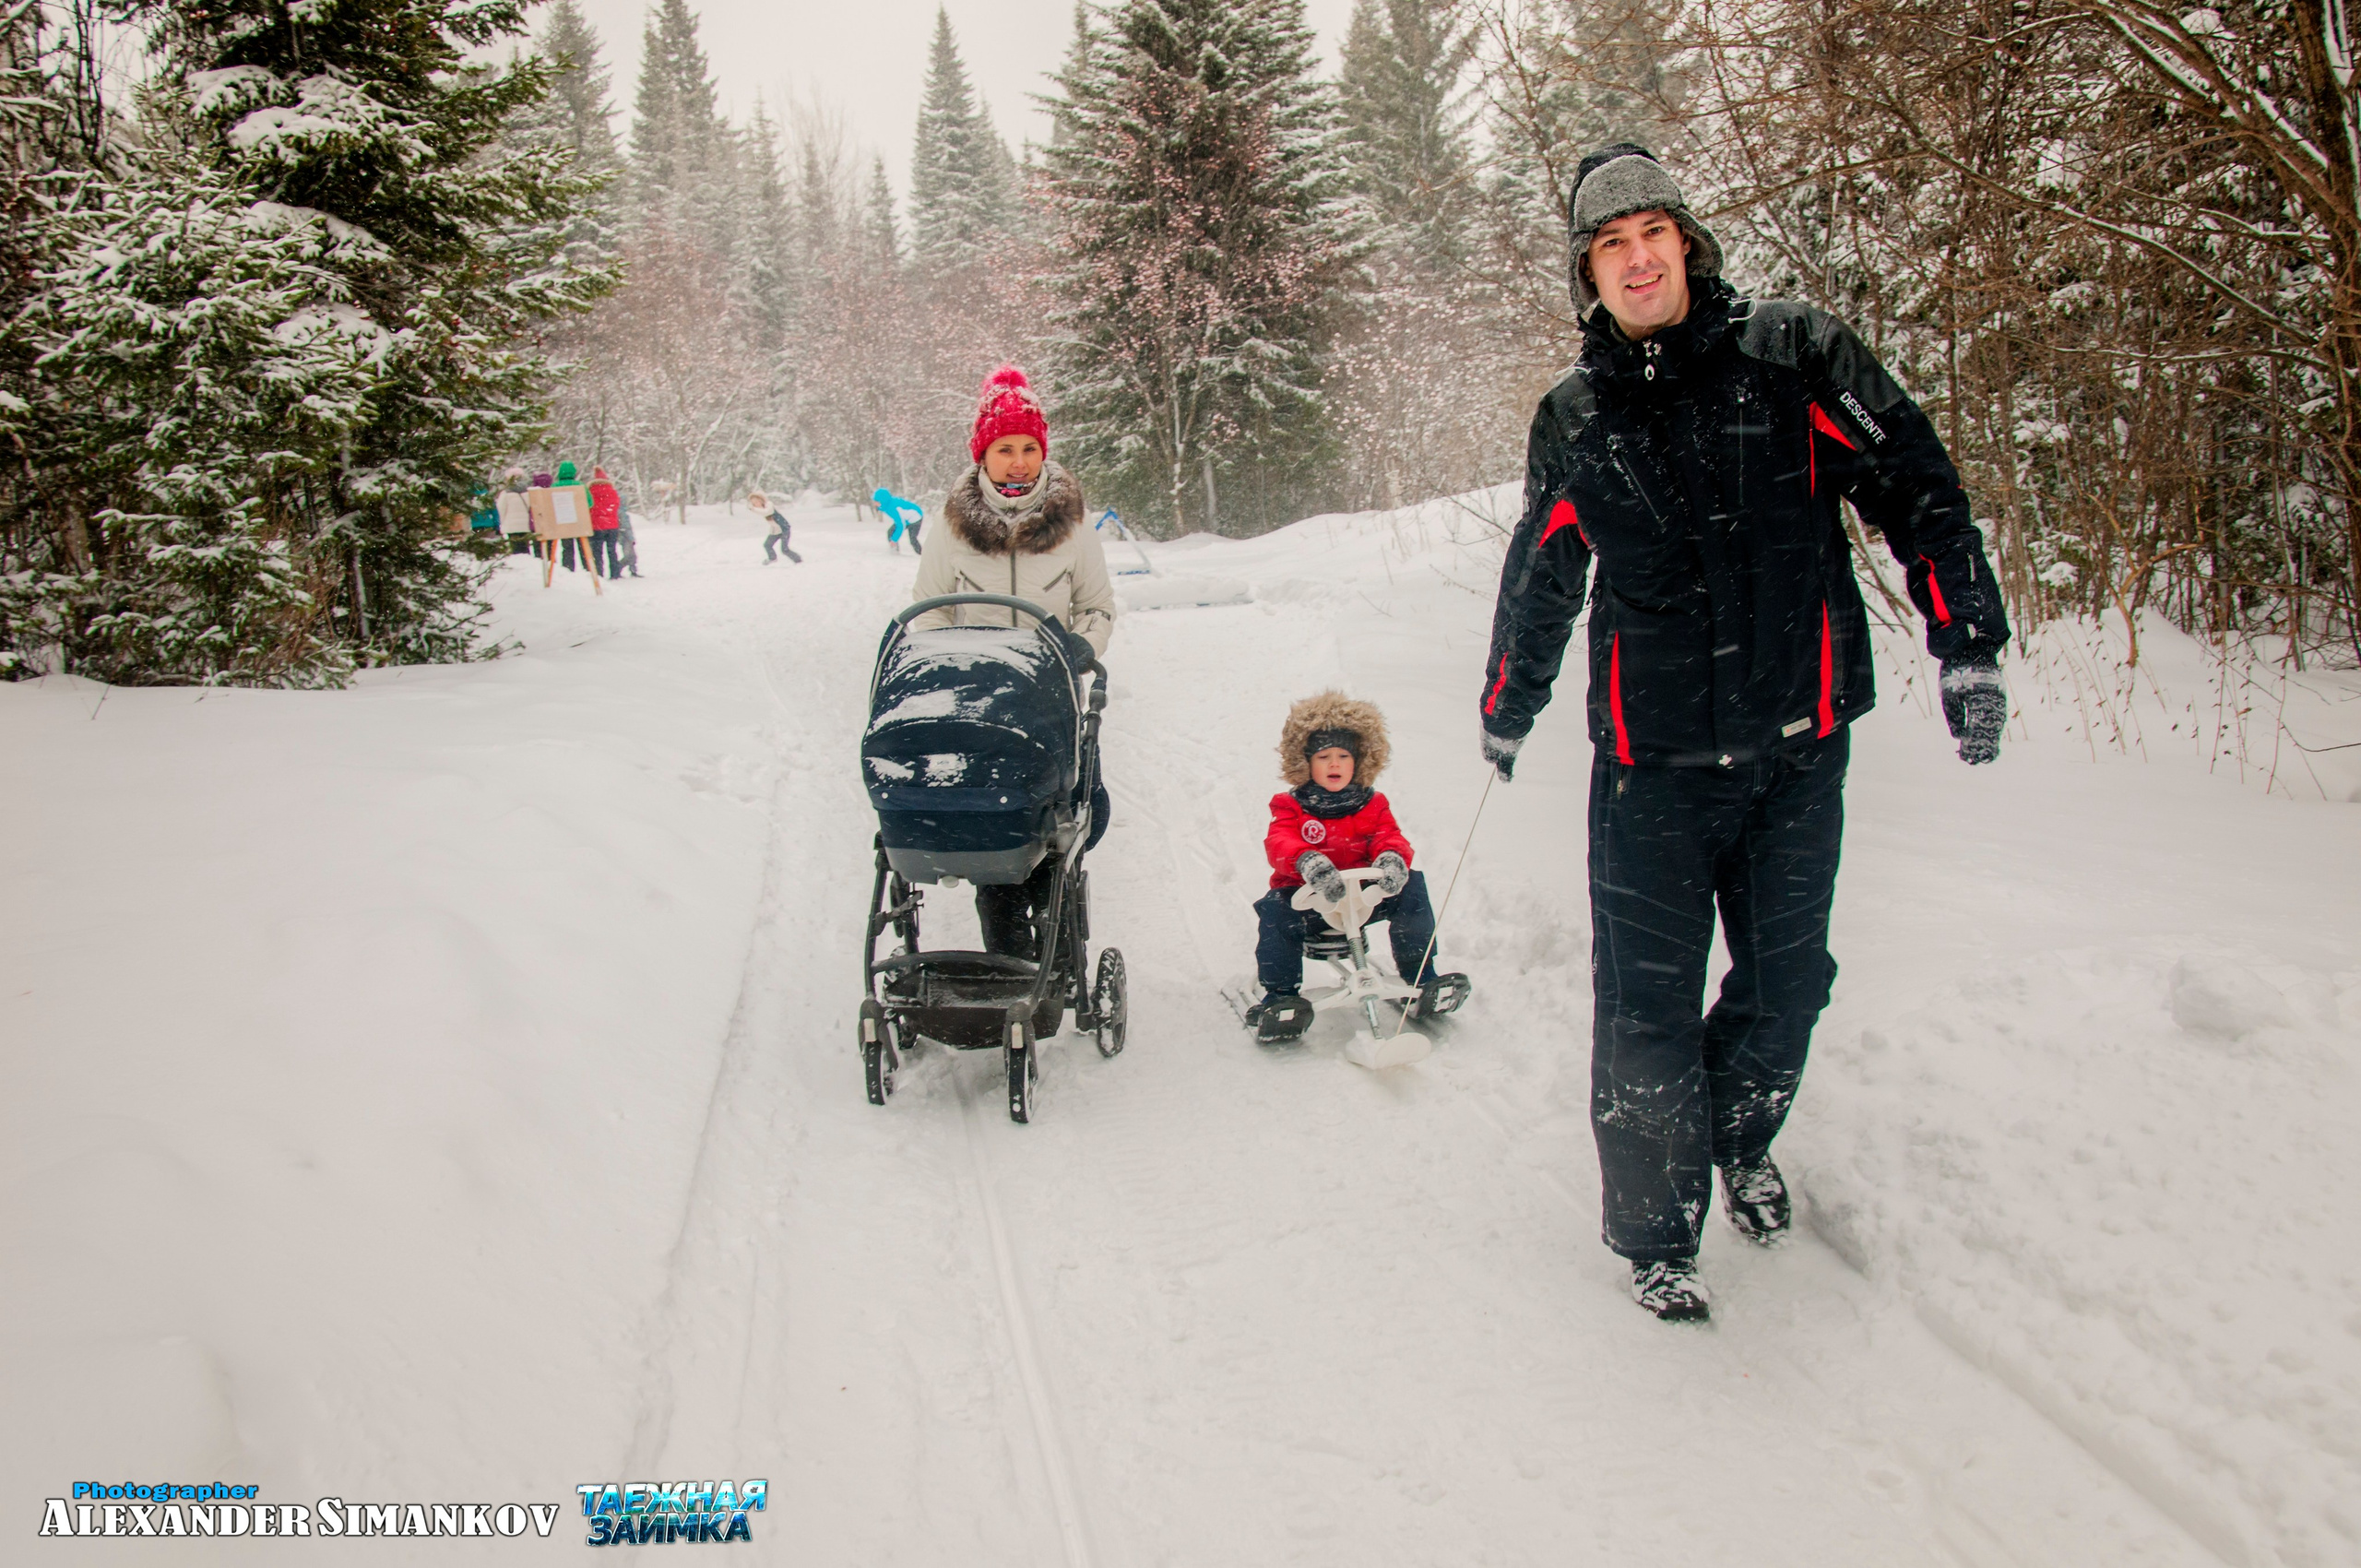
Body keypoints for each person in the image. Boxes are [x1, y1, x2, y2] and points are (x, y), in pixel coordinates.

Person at [1477, 145, 2012, 1322]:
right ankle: (1658, 1234)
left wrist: (1965, 638)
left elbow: (1916, 484)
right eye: (1609, 245)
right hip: (1650, 774)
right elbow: (1543, 569)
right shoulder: (1575, 416)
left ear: (1687, 242)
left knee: (1787, 986)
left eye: (1651, 234)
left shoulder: (1793, 355)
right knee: (1646, 1012)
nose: (1636, 259)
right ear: (1587, 274)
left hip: (1796, 753)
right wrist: (1509, 702)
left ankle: (1733, 1133)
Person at [911, 364, 1117, 961]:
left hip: (1050, 696)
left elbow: (1097, 608)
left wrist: (1082, 647)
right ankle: (1010, 960)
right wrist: (950, 669)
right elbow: (929, 613)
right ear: (983, 454)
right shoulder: (951, 528)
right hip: (977, 702)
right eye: (1005, 449)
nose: (1019, 462)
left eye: (1029, 448)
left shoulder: (1072, 525)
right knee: (994, 831)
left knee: (1065, 818)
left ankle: (1056, 926)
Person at [1246, 694, 1471, 1044]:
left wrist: (1392, 858)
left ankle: (1421, 975)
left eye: (1343, 756)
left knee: (1412, 888)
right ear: (1306, 763)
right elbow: (1280, 841)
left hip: (1364, 898)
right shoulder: (1290, 805)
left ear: (1359, 761)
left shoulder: (1373, 803)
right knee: (1275, 911)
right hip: (1310, 901)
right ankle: (1281, 994)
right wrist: (1307, 860)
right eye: (1323, 757)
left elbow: (1388, 835)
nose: (1334, 764)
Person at [587, 467, 623, 577]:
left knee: (597, 552)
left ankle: (599, 573)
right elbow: (617, 505)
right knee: (612, 550)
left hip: (597, 526)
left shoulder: (591, 491)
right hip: (612, 526)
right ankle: (615, 573)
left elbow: (589, 507)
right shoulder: (612, 491)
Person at [553, 460, 587, 572]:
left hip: (563, 521)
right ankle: (587, 569)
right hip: (579, 521)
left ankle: (568, 570)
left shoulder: (554, 487)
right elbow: (589, 503)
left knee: (567, 548)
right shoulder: (580, 486)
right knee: (583, 547)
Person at [751, 491, 801, 564]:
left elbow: (767, 512)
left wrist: (753, 509)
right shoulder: (762, 509)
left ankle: (798, 560)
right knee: (767, 545)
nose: (755, 504)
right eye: (753, 503)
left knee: (784, 550)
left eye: (756, 501)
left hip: (784, 529)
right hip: (776, 531)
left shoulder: (769, 504)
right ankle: (772, 558)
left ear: (761, 500)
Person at [875, 487, 925, 555]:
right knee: (890, 532)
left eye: (876, 501)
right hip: (906, 519)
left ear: (882, 500)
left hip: (916, 518)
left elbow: (901, 525)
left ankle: (923, 554)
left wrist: (894, 539)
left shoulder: (893, 507)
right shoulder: (887, 505)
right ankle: (895, 550)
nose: (875, 503)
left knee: (913, 539)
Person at [495, 468, 533, 555]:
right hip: (525, 524)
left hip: (511, 525)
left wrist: (501, 522)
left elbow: (501, 509)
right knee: (525, 548)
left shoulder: (505, 493)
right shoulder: (528, 491)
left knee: (515, 549)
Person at [614, 493, 641, 578]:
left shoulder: (621, 512)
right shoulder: (621, 513)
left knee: (631, 555)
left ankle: (631, 570)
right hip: (625, 537)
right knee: (629, 555)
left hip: (625, 536)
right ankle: (618, 569)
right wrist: (630, 537)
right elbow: (625, 527)